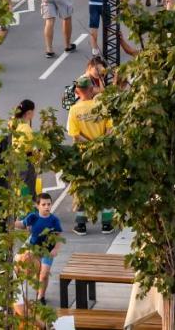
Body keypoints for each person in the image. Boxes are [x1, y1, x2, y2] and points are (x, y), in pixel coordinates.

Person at [67, 78, 114, 234]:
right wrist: (100, 142)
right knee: (105, 186)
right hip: (102, 153)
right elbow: (110, 129)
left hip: (84, 155)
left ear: (77, 91)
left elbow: (75, 135)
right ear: (91, 89)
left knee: (82, 187)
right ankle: (107, 223)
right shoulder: (101, 106)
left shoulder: (74, 110)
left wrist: (89, 144)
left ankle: (81, 224)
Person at [17, 193, 63, 305]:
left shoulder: (54, 220)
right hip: (34, 249)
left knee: (44, 274)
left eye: (49, 204)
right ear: (37, 206)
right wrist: (10, 221)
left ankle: (40, 297)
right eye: (43, 204)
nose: (47, 206)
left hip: (47, 251)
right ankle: (39, 290)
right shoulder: (33, 217)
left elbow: (59, 235)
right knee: (36, 272)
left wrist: (56, 249)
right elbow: (21, 224)